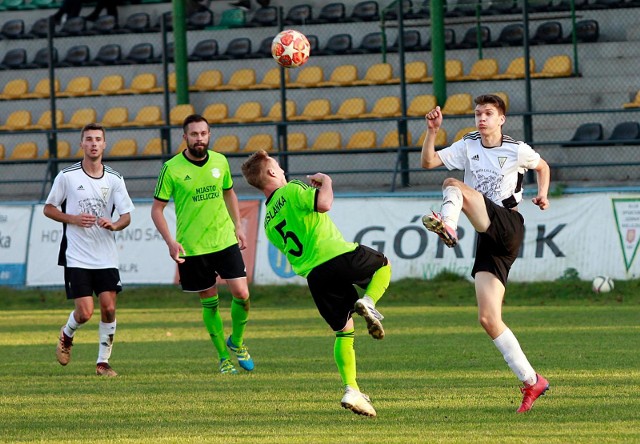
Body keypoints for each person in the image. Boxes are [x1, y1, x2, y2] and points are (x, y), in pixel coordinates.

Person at [419, 94, 551, 413]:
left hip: (506, 224)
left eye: (488, 114)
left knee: (453, 183)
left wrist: (543, 194)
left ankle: (448, 224)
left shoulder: (516, 149)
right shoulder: (468, 144)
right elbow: (427, 162)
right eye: (478, 113)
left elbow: (542, 165)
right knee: (488, 319)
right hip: (487, 234)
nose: (481, 118)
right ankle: (532, 380)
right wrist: (433, 131)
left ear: (501, 119)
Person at [241, 150, 391, 417]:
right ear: (273, 172)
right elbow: (324, 204)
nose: (282, 169)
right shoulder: (292, 189)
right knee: (383, 265)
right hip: (336, 254)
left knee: (344, 332)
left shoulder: (267, 221)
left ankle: (352, 389)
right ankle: (368, 302)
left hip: (315, 275)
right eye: (277, 165)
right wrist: (327, 182)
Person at [151, 114, 253, 375]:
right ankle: (223, 358)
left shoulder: (220, 161)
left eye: (203, 133)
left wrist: (238, 225)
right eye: (194, 134)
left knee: (242, 294)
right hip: (193, 247)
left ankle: (237, 342)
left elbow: (229, 192)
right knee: (210, 302)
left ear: (209, 135)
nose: (199, 138)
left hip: (224, 240)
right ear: (184, 137)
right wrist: (170, 242)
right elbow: (157, 210)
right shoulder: (171, 168)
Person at [44, 122, 135, 377]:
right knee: (84, 312)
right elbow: (49, 208)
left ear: (104, 144)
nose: (94, 143)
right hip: (77, 255)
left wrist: (115, 224)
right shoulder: (67, 176)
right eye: (89, 139)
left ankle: (102, 363)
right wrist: (72, 218)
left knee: (109, 309)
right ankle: (67, 333)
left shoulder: (115, 179)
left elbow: (126, 215)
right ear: (81, 144)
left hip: (106, 255)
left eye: (98, 139)